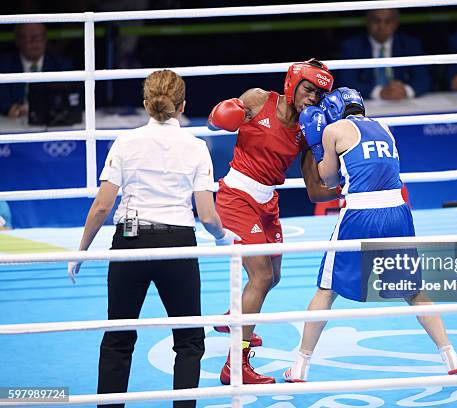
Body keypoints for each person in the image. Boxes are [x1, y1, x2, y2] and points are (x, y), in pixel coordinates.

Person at [67, 69, 239, 408]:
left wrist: (80, 251)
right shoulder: (196, 147)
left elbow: (102, 206)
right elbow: (207, 215)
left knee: (118, 337)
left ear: (146, 104)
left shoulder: (125, 142)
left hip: (130, 240)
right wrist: (222, 237)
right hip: (177, 242)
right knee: (189, 341)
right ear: (182, 104)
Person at [283, 87, 457, 382]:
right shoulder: (385, 127)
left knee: (326, 290)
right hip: (398, 210)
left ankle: (300, 366)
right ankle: (452, 358)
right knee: (414, 291)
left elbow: (328, 179)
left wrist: (318, 148)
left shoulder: (333, 129)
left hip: (360, 214)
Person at [207, 58, 339, 385]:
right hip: (236, 194)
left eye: (320, 94)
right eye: (309, 89)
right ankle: (235, 364)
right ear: (293, 84)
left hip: (267, 201)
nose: (313, 98)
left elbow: (315, 191)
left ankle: (234, 317)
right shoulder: (258, 99)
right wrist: (223, 115)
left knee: (273, 275)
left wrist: (352, 184)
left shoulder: (309, 131)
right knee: (261, 276)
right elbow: (214, 123)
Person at [336, 9, 430, 100]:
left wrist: (405, 90)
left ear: (396, 23)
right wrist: (379, 92)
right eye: (376, 21)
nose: (381, 26)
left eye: (387, 21)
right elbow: (346, 82)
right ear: (367, 22)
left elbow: (424, 79)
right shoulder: (352, 46)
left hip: (402, 103)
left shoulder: (410, 44)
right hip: (368, 106)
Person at [0, 23, 73, 117]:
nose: (34, 42)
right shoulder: (4, 65)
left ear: (45, 39)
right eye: (27, 38)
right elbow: (3, 100)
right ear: (17, 40)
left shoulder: (62, 65)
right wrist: (11, 109)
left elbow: (72, 99)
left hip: (52, 122)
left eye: (38, 37)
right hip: (14, 123)